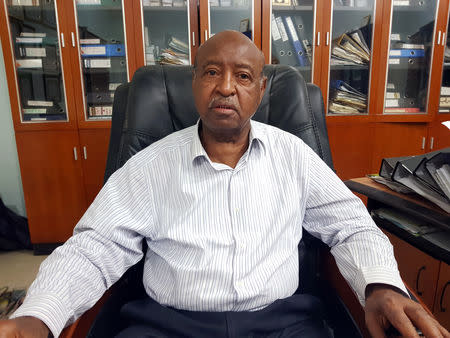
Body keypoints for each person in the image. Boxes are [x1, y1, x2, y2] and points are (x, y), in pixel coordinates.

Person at [0, 30, 448, 338]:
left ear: (261, 89)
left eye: (243, 76)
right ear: (194, 82)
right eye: (211, 72)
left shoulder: (292, 154)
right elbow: (93, 248)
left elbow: (350, 224)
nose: (226, 88)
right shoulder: (151, 165)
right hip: (167, 324)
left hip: (283, 324)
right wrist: (38, 316)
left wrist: (382, 284)